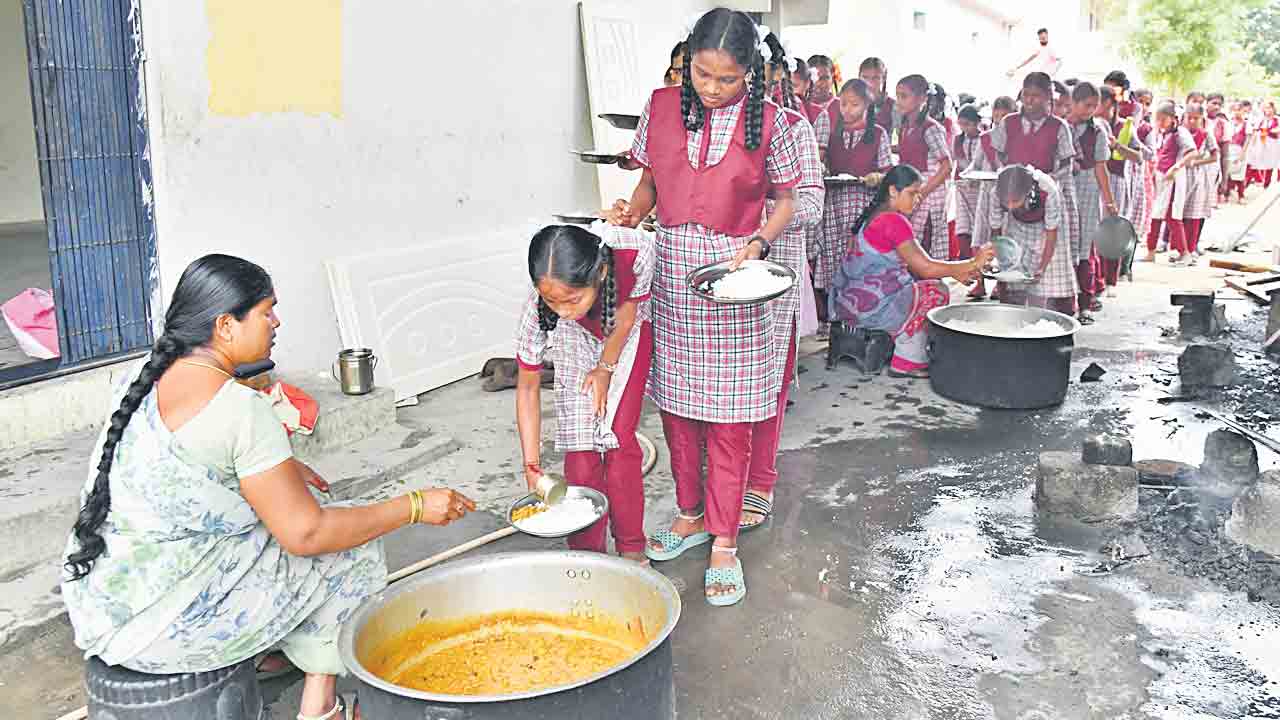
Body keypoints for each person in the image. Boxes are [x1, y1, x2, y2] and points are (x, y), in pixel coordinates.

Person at [60, 254, 476, 720]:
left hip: (106, 605)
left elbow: (190, 463)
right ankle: (321, 706)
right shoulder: (240, 409)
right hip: (168, 629)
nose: (276, 322)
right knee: (350, 544)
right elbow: (307, 535)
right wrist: (413, 506)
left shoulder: (140, 377)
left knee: (298, 507)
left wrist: (285, 466)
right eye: (266, 311)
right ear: (225, 326)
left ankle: (271, 646)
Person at [610, 8, 800, 606]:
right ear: (687, 61)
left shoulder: (774, 122)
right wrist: (633, 211)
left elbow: (788, 200)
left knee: (730, 417)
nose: (713, 89)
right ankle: (690, 514)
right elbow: (649, 183)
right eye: (702, 74)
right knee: (677, 408)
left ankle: (725, 540)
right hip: (672, 273)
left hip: (734, 278)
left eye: (727, 79)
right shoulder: (661, 106)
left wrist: (759, 243)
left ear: (751, 73)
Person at [514, 224, 654, 564]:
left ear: (600, 273)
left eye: (573, 299)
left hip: (625, 334)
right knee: (580, 452)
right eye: (552, 300)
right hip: (574, 339)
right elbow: (528, 388)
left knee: (618, 441)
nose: (562, 309)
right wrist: (531, 464)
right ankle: (588, 557)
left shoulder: (633, 253)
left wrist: (605, 368)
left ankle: (631, 547)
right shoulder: (541, 312)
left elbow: (626, 317)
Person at [741, 33, 826, 532]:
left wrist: (758, 216)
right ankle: (720, 481)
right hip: (717, 274)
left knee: (766, 385)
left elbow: (810, 205)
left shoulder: (793, 128)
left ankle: (760, 480)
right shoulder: (704, 128)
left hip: (774, 279)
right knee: (715, 388)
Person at [829, 165, 993, 379]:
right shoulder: (893, 221)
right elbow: (926, 268)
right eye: (912, 193)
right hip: (870, 313)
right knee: (936, 291)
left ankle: (896, 344)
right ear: (893, 191)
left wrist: (956, 271)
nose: (918, 199)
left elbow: (915, 267)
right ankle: (908, 360)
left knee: (919, 281)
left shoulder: (873, 216)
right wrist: (973, 262)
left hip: (847, 307)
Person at [990, 72, 1078, 311]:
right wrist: (1010, 177)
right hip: (1015, 195)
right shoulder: (1009, 122)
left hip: (1045, 195)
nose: (1029, 100)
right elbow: (998, 154)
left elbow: (1066, 164)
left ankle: (1052, 313)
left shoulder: (1058, 127)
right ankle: (1012, 310)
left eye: (1036, 96)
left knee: (1051, 268)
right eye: (1026, 95)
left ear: (1049, 97)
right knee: (1015, 259)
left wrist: (1044, 182)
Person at [812, 78, 892, 305]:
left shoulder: (878, 134)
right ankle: (835, 309)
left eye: (854, 104)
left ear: (867, 105)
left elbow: (888, 174)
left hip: (863, 208)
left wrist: (877, 177)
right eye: (843, 104)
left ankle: (861, 307)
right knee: (833, 256)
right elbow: (824, 164)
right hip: (834, 206)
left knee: (859, 255)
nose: (847, 110)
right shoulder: (833, 133)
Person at [990, 164, 1075, 313]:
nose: (1009, 206)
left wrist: (1042, 268)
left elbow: (1051, 233)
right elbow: (996, 229)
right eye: (1006, 202)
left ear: (1027, 192)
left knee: (1044, 286)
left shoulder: (1047, 190)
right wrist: (1000, 261)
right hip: (1017, 227)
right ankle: (1014, 313)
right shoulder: (996, 192)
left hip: (1048, 233)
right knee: (1014, 283)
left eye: (1014, 201)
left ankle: (1041, 314)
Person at [1067, 82, 1118, 323]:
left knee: (1084, 247)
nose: (1091, 111)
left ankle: (1085, 303)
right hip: (1064, 186)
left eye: (1094, 106)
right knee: (1064, 246)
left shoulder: (1097, 132)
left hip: (1088, 189)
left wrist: (1109, 201)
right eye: (1087, 105)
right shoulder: (1061, 127)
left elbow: (1101, 168)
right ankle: (1064, 302)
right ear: (1074, 103)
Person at [896, 74, 953, 259]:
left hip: (929, 192)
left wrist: (922, 193)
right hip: (913, 189)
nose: (899, 101)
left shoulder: (931, 128)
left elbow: (947, 166)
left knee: (926, 241)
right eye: (898, 96)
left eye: (904, 96)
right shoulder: (906, 126)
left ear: (922, 99)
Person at [1097, 85, 1147, 290]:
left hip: (1115, 181)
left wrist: (1117, 145)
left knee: (1113, 230)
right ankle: (1098, 278)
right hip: (1094, 182)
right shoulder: (1092, 124)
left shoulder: (1124, 126)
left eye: (1097, 103)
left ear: (1109, 104)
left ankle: (1111, 278)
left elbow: (1139, 157)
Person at [967, 95, 1016, 300]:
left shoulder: (1017, 140)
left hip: (1008, 197)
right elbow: (976, 164)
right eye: (998, 115)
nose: (1001, 120)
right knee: (980, 238)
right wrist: (967, 175)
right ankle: (979, 282)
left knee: (1004, 240)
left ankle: (1001, 285)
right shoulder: (985, 138)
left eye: (1006, 115)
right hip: (987, 193)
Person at [1144, 100, 1198, 264]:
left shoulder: (1181, 133)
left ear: (1173, 118)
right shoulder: (1162, 134)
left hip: (1173, 180)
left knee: (1171, 216)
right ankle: (1151, 252)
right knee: (1156, 215)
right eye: (1158, 119)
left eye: (1163, 119)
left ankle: (1185, 253)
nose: (1160, 123)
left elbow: (1193, 152)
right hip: (1161, 179)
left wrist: (1176, 167)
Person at [1181, 103, 1220, 260]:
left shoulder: (1206, 134)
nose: (1192, 121)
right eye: (1189, 118)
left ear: (1202, 119)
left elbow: (1215, 156)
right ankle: (1180, 247)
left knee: (1195, 214)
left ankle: (1191, 247)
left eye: (1195, 118)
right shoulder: (1180, 133)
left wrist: (1196, 163)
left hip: (1198, 178)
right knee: (1180, 213)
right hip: (1181, 175)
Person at [952, 104, 984, 262]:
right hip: (962, 189)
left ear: (977, 122)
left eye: (967, 124)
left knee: (980, 225)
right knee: (963, 225)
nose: (964, 128)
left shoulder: (985, 139)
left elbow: (983, 164)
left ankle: (979, 260)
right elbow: (957, 162)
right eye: (961, 124)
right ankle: (964, 260)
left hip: (980, 190)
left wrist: (974, 178)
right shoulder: (958, 140)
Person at [859, 57, 895, 134]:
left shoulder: (893, 105)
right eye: (865, 77)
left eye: (875, 78)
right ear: (859, 77)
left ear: (883, 78)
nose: (869, 83)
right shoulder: (850, 101)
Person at [1225, 101, 1251, 204]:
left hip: (1240, 150)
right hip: (1229, 150)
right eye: (1234, 110)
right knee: (1228, 172)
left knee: (1240, 174)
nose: (1237, 112)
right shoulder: (1229, 123)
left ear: (1243, 111)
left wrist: (1242, 153)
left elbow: (1248, 139)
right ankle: (1226, 193)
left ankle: (1241, 195)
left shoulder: (1246, 124)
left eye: (1239, 110)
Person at [1207, 93, 1228, 205]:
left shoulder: (1223, 124)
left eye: (1219, 104)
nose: (1217, 107)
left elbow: (1225, 155)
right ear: (1206, 103)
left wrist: (1224, 180)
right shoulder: (1197, 119)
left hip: (1212, 168)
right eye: (1214, 103)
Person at [804, 54, 837, 124]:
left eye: (825, 78)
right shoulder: (800, 106)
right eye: (814, 77)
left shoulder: (842, 106)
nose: (818, 83)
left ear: (833, 78)